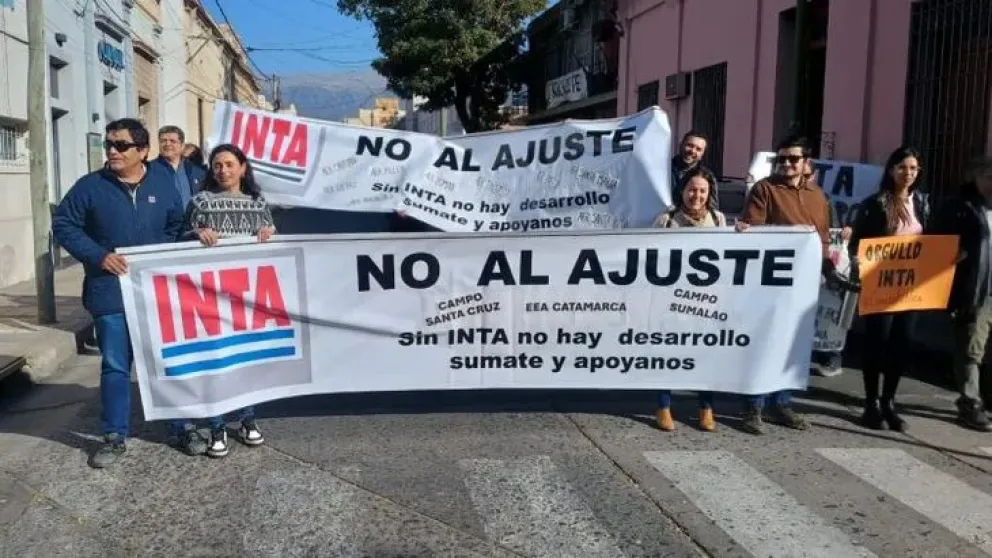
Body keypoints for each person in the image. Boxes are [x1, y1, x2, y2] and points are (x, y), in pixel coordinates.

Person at [52, 118, 191, 468]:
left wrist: (167, 253)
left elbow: (177, 224)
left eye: (121, 145)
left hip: (156, 292)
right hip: (110, 293)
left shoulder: (162, 181)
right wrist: (98, 255)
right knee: (116, 365)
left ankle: (180, 426)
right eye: (109, 145)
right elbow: (63, 224)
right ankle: (114, 436)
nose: (112, 151)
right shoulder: (89, 187)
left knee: (166, 360)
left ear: (142, 151)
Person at [735, 136, 858, 435]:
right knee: (765, 343)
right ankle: (754, 406)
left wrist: (832, 269)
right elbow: (756, 232)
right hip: (771, 284)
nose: (787, 164)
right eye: (782, 159)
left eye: (793, 159)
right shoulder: (765, 189)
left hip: (806, 286)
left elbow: (823, 240)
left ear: (807, 164)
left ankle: (782, 403)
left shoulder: (819, 195)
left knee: (793, 347)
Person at [174, 143, 275, 458]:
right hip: (207, 296)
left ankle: (247, 419)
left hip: (246, 297)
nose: (223, 170)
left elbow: (275, 243)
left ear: (243, 168)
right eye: (217, 165)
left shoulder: (259, 203)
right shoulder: (199, 202)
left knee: (244, 361)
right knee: (214, 360)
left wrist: (270, 232)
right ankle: (216, 425)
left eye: (230, 164)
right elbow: (177, 239)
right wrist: (196, 234)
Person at [849, 147, 929, 432]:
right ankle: (870, 404)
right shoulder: (875, 203)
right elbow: (856, 243)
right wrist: (859, 258)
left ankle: (889, 402)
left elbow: (932, 243)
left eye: (913, 168)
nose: (908, 173)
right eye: (902, 167)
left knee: (901, 344)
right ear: (891, 170)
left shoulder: (922, 203)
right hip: (881, 287)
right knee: (877, 344)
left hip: (912, 289)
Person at [652, 167, 727, 432]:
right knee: (667, 354)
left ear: (710, 193)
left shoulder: (719, 220)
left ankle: (706, 408)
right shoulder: (666, 219)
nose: (697, 195)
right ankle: (663, 406)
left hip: (705, 302)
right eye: (692, 189)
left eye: (702, 191)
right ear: (682, 190)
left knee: (705, 355)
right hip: (670, 301)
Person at [932, 155, 992, 431]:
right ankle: (969, 402)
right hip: (976, 291)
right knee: (971, 348)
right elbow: (935, 243)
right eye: (989, 176)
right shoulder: (960, 208)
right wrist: (955, 255)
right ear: (975, 177)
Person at [150, 125, 207, 210]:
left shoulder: (197, 172)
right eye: (163, 141)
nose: (167, 144)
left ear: (182, 145)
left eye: (172, 141)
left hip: (191, 221)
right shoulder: (149, 170)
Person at [671, 130, 719, 208]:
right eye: (689, 145)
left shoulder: (707, 176)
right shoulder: (663, 170)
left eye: (698, 149)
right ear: (681, 145)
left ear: (702, 154)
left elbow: (712, 207)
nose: (692, 151)